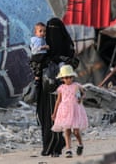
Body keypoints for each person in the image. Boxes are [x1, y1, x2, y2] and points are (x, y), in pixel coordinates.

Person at [34, 17, 78, 157]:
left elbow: (73, 64)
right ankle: (48, 147)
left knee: (60, 116)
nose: (53, 35)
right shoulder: (41, 45)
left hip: (62, 91)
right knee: (47, 117)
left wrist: (61, 61)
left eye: (55, 30)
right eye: (50, 30)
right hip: (46, 89)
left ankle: (58, 147)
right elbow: (34, 64)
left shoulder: (68, 49)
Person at [51, 64, 88, 158]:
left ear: (73, 77)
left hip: (75, 109)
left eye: (70, 77)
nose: (68, 79)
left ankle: (80, 144)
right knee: (67, 130)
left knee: (76, 131)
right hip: (64, 110)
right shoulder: (61, 88)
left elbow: (84, 93)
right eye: (66, 77)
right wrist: (54, 113)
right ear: (62, 78)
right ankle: (68, 149)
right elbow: (58, 101)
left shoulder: (77, 86)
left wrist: (81, 98)